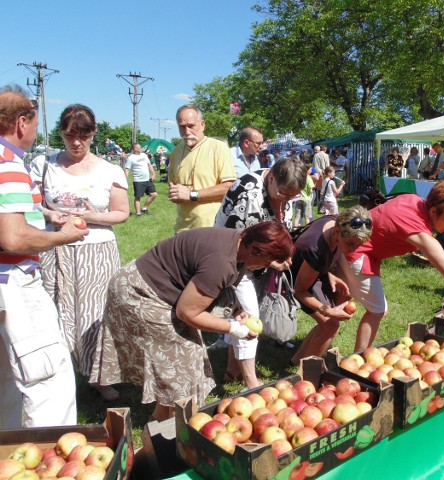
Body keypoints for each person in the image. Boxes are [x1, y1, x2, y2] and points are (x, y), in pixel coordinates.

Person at [91, 221, 293, 421]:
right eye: (265, 262)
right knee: (181, 365)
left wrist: (236, 309)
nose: (264, 268)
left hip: (160, 289)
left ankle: (164, 422)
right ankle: (163, 428)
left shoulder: (239, 242)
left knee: (187, 363)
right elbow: (188, 313)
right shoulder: (221, 261)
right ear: (256, 249)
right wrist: (234, 329)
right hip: (139, 293)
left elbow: (218, 285)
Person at [0, 85, 88, 429]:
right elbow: (12, 236)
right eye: (35, 124)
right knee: (49, 379)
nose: (36, 132)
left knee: (6, 379)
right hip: (15, 285)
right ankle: (53, 455)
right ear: (22, 122)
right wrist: (62, 236)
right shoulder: (9, 165)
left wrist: (47, 215)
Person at [29, 104, 130, 402]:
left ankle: (100, 377)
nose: (76, 143)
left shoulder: (110, 170)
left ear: (93, 134)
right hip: (55, 250)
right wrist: (50, 215)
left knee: (96, 313)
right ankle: (58, 374)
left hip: (95, 252)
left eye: (83, 136)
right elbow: (31, 204)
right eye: (70, 135)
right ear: (61, 132)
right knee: (55, 310)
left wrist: (92, 216)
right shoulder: (43, 164)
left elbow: (121, 213)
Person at [337, 182, 444, 351]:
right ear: (434, 211)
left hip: (351, 245)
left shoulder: (415, 200)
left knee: (334, 310)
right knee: (377, 310)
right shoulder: (417, 230)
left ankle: (320, 354)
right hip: (357, 252)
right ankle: (357, 359)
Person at [215, 156, 307, 388]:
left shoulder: (275, 182)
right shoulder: (249, 197)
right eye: (285, 193)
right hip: (234, 262)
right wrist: (269, 262)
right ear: (272, 178)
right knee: (249, 318)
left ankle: (231, 370)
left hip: (255, 260)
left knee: (241, 313)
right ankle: (250, 381)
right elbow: (241, 250)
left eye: (292, 196)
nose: (287, 199)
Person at [291, 207, 373, 362]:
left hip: (312, 270)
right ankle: (308, 372)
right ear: (337, 232)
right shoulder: (316, 249)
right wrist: (327, 311)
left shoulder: (337, 221)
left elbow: (317, 264)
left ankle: (297, 361)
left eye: (358, 244)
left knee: (329, 323)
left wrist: (329, 274)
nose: (353, 250)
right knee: (330, 325)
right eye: (350, 244)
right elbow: (299, 291)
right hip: (294, 279)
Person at [169, 105, 236, 233]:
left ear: (202, 124)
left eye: (191, 126)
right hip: (181, 229)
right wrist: (175, 194)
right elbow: (174, 187)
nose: (187, 131)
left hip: (211, 228)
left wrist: (192, 195)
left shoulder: (218, 148)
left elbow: (229, 187)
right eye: (182, 127)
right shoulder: (175, 152)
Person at [124, 143, 157, 216]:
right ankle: (138, 213)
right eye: (139, 148)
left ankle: (144, 208)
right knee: (138, 197)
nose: (141, 149)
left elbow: (149, 165)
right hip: (138, 181)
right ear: (135, 149)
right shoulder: (131, 158)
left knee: (153, 194)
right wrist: (124, 180)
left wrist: (153, 174)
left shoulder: (144, 155)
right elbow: (127, 169)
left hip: (147, 180)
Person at [293, 159, 315, 228]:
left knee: (297, 215)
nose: (311, 171)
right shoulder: (309, 178)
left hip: (299, 199)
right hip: (306, 199)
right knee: (307, 216)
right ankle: (307, 229)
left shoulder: (300, 177)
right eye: (310, 169)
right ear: (307, 170)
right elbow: (311, 190)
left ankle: (295, 227)